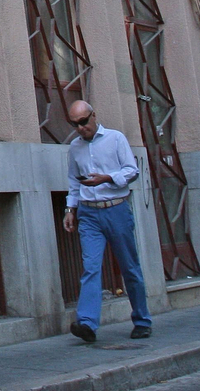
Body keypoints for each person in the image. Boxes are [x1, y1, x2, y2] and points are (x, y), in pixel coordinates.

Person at [63, 100, 151, 342]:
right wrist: (70, 209)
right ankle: (87, 323)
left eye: (83, 122)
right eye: (74, 124)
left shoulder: (115, 138)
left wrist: (107, 178)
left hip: (116, 209)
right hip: (89, 214)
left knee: (129, 267)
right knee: (91, 267)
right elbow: (73, 181)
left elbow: (132, 171)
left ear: (93, 116)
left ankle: (142, 320)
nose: (80, 128)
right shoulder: (75, 147)